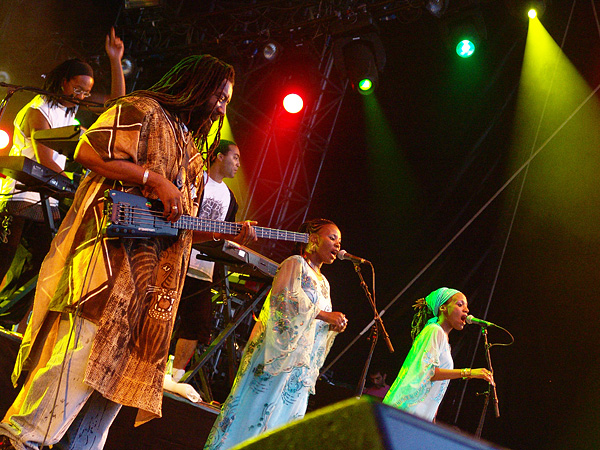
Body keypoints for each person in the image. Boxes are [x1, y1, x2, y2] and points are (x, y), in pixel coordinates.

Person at [0, 54, 249, 450]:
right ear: (194, 85)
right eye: (218, 96)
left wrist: (222, 233)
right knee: (68, 375)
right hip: (105, 273)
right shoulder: (141, 108)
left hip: (148, 299)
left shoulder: (191, 148)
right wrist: (153, 179)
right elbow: (88, 151)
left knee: (105, 404)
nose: (221, 107)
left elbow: (176, 227)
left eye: (226, 100)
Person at [0, 28, 126, 331]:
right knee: (4, 263)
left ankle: (5, 322)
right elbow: (45, 163)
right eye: (78, 89)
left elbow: (117, 104)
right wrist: (75, 182)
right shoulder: (37, 112)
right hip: (20, 199)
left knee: (36, 272)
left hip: (49, 204)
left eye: (87, 91)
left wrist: (115, 61)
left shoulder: (71, 118)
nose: (82, 96)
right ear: (64, 82)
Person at [204, 218, 348, 450]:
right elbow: (285, 301)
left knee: (282, 421)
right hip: (276, 359)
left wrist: (332, 326)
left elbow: (314, 321)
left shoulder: (325, 283)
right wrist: (323, 315)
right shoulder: (295, 264)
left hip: (297, 370)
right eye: (332, 238)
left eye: (339, 241)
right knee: (256, 414)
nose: (337, 245)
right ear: (312, 239)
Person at [170, 139, 245, 384]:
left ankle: (174, 378)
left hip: (204, 267)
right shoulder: (196, 180)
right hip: (177, 257)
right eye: (234, 157)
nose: (238, 164)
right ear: (219, 156)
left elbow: (227, 235)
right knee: (163, 312)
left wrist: (242, 238)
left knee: (197, 324)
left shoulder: (230, 197)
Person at [383, 287, 495, 422]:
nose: (466, 310)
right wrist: (469, 372)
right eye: (460, 304)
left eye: (466, 306)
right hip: (409, 409)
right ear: (442, 308)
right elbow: (430, 372)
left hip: (421, 413)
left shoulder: (443, 339)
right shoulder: (434, 330)